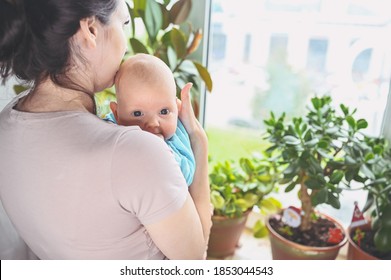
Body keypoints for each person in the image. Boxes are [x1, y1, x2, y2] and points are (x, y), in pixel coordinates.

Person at [0, 0, 211, 260]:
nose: (125, 42)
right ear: (90, 29)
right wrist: (199, 144)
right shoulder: (136, 153)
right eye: (123, 23)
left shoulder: (5, 126)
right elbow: (194, 259)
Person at [106, 54, 195, 186]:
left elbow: (187, 176)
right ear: (117, 114)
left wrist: (164, 153)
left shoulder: (177, 135)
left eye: (164, 112)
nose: (153, 123)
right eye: (137, 113)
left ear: (177, 108)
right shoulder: (110, 130)